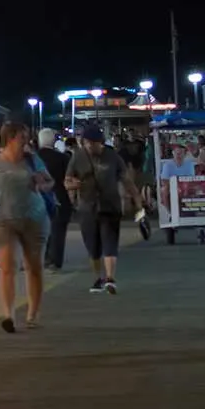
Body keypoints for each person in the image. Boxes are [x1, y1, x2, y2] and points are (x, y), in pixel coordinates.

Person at [0, 122, 49, 330]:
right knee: (6, 267)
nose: (26, 140)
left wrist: (42, 183)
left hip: (34, 219)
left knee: (34, 267)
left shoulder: (33, 160)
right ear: (11, 138)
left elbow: (50, 184)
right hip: (2, 220)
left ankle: (33, 313)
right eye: (23, 136)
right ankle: (8, 315)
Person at [65, 126, 136, 296]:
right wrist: (73, 185)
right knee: (93, 248)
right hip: (87, 208)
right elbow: (67, 181)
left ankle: (110, 279)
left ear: (101, 142)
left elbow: (126, 179)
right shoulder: (77, 157)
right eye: (87, 142)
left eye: (94, 142)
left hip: (110, 206)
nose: (90, 145)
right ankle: (98, 278)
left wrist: (136, 201)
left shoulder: (113, 156)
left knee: (110, 243)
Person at [37, 129, 74, 272]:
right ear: (53, 141)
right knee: (58, 230)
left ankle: (43, 258)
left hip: (37, 197)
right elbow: (70, 178)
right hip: (60, 197)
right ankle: (55, 261)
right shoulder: (63, 158)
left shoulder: (33, 158)